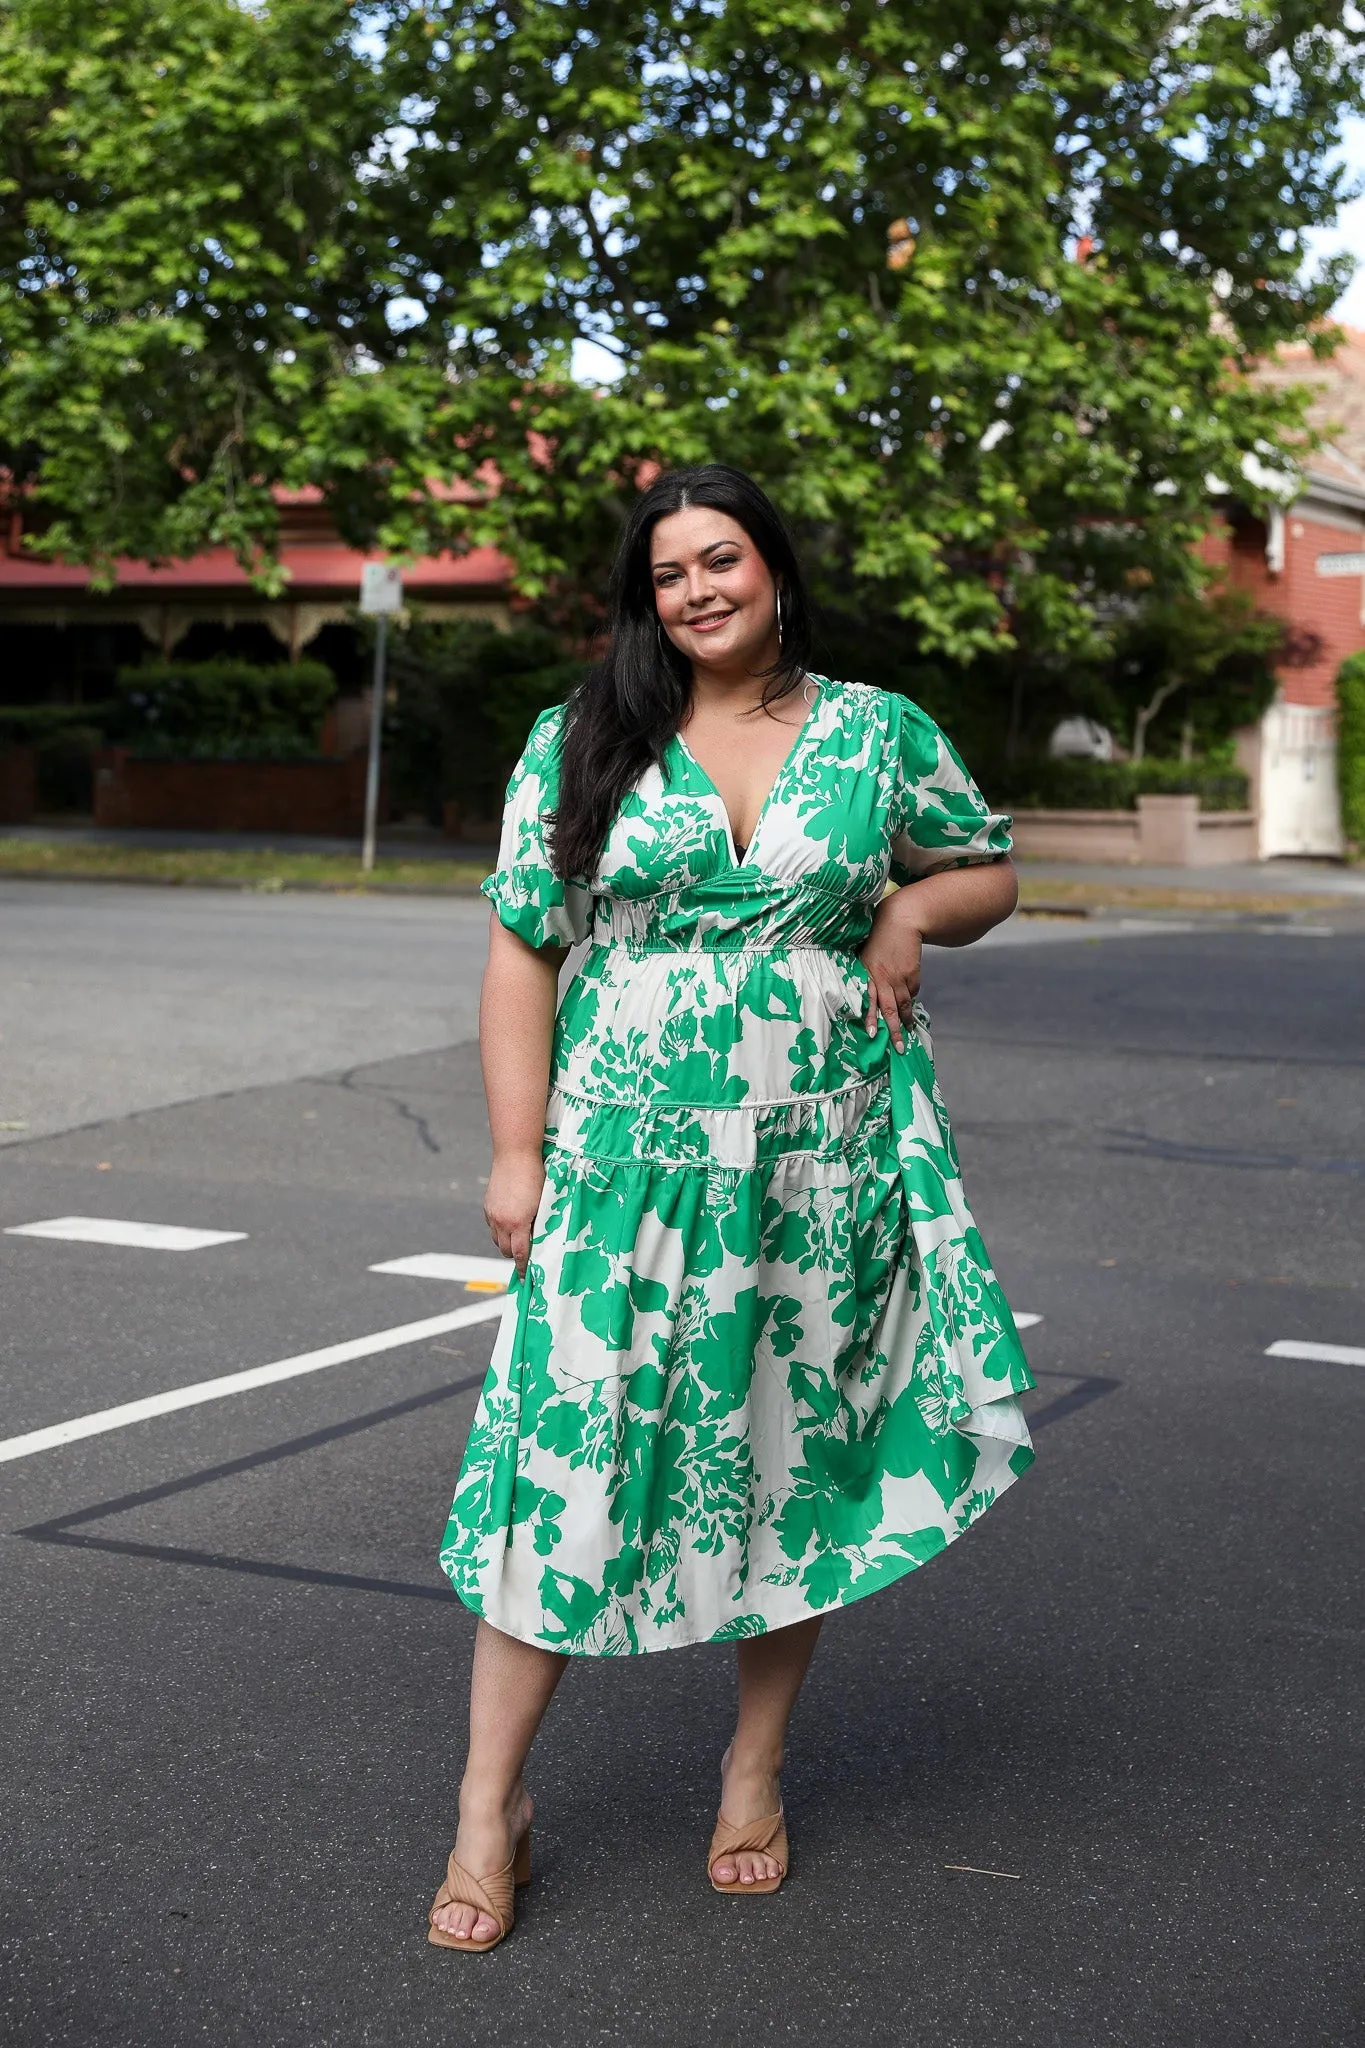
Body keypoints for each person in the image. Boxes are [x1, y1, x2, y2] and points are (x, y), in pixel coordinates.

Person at [428, 464, 1034, 1951]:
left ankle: (752, 1767)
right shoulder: (583, 737)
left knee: (788, 1451)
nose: (696, 590)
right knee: (561, 1472)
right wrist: (517, 1155)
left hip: (818, 1162)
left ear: (774, 569)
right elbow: (524, 949)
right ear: (645, 597)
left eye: (723, 560)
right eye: (668, 573)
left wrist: (905, 906)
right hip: (622, 1161)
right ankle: (484, 1803)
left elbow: (992, 870)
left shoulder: (877, 732)